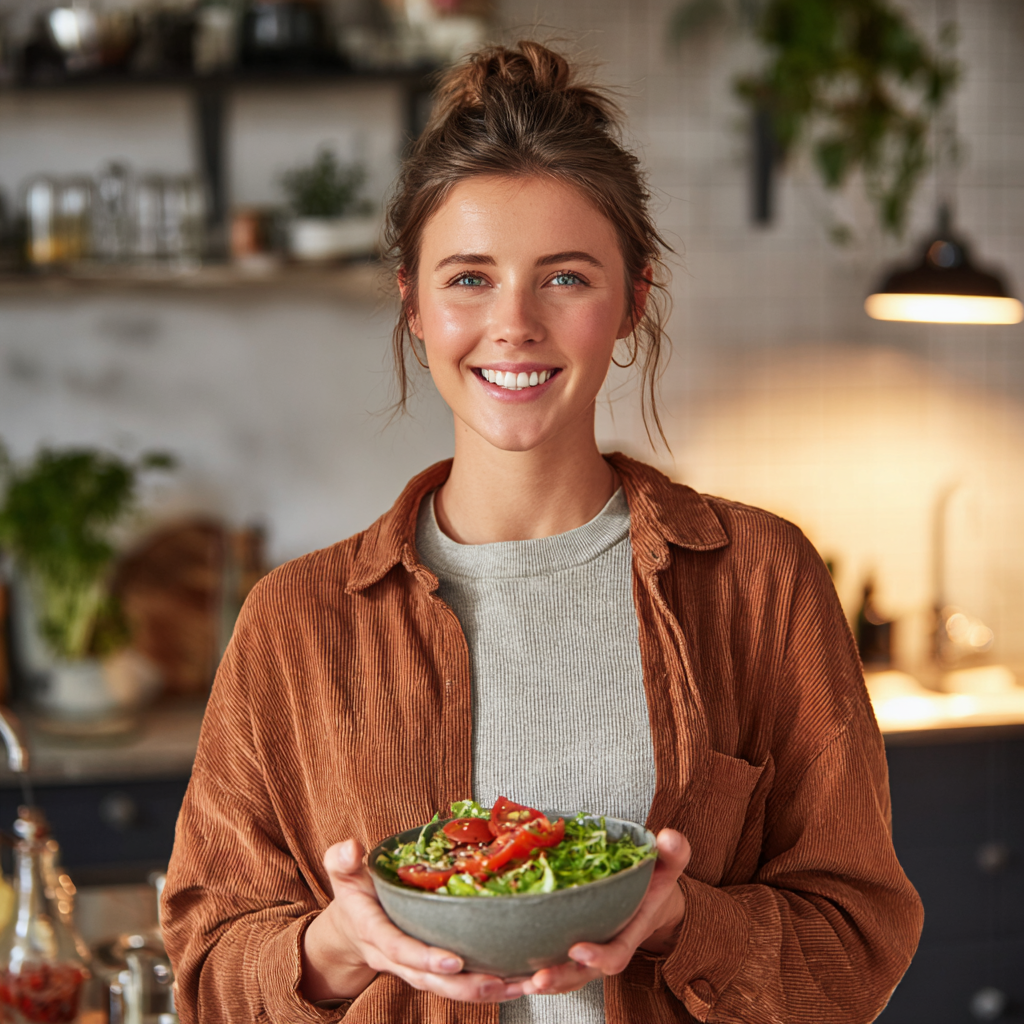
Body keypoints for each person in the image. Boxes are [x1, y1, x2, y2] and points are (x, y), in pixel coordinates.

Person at [162, 41, 923, 1024]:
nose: (513, 324)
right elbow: (205, 970)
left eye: (563, 278)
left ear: (631, 300)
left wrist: (680, 916)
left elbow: (855, 947)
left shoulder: (759, 582)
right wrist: (339, 944)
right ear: (414, 306)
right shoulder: (295, 624)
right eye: (469, 279)